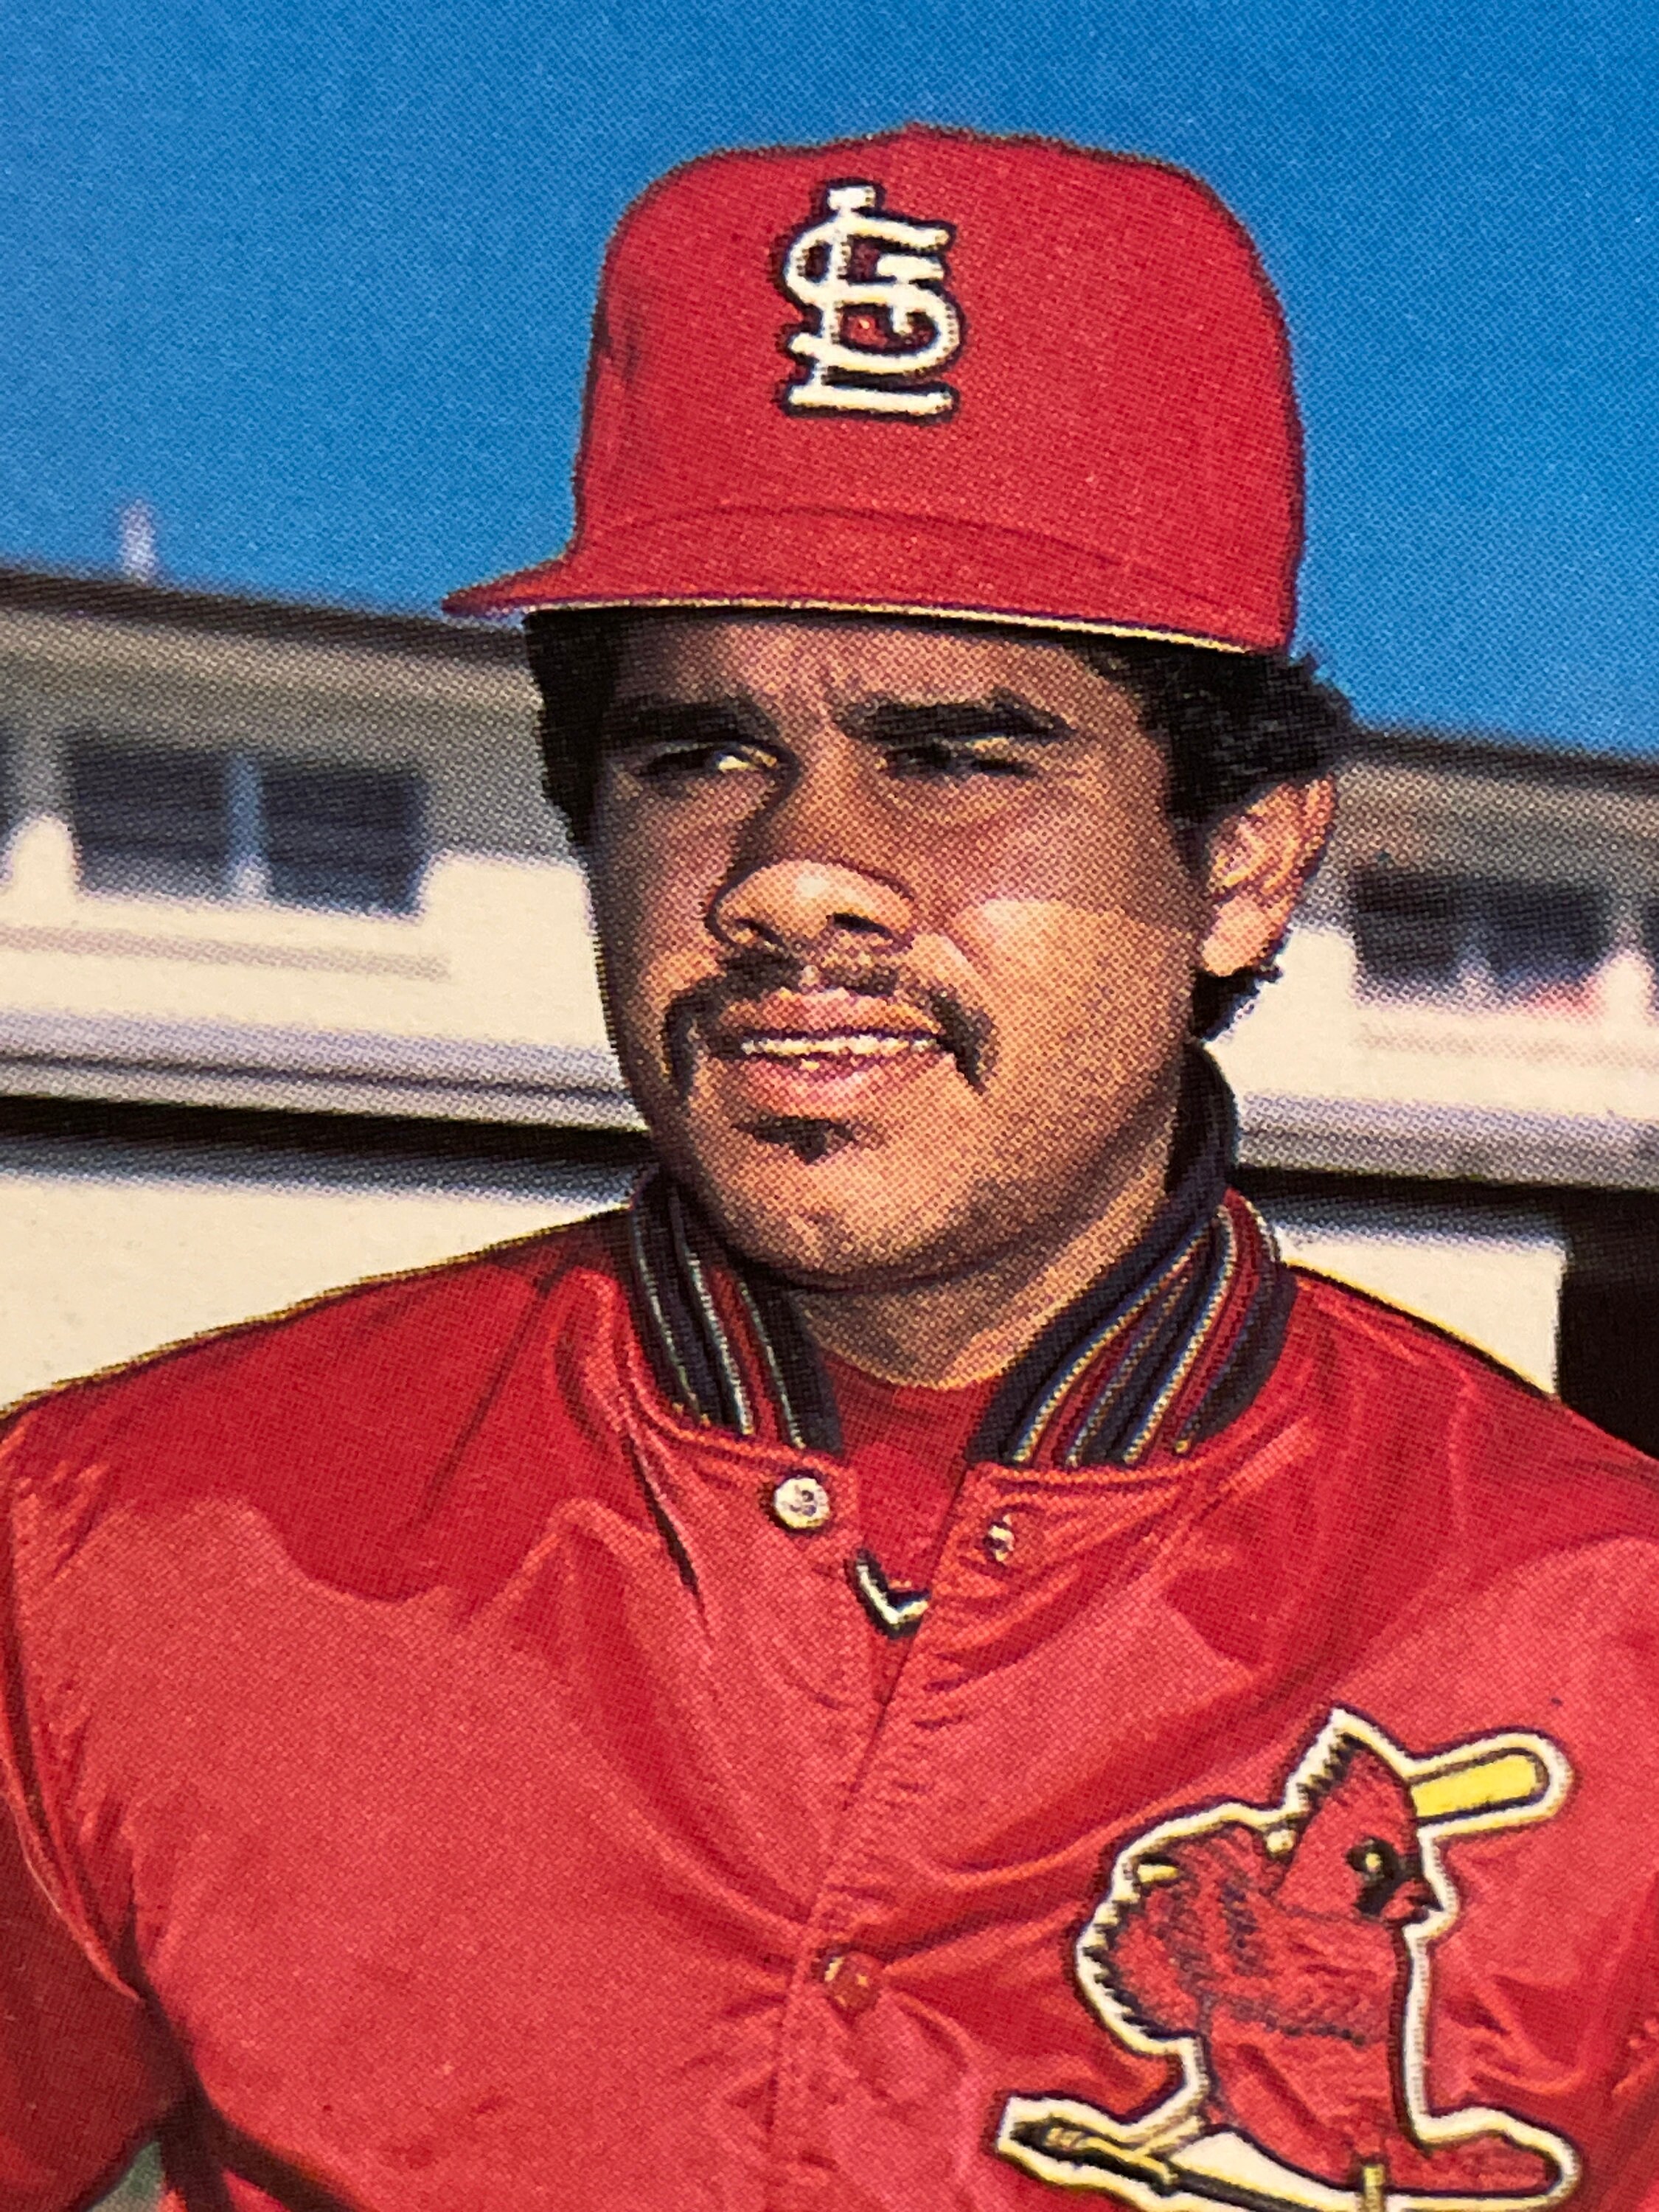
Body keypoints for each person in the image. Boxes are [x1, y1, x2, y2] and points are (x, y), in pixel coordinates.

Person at [1, 125, 1655, 2212]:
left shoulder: (1608, 1643)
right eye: (699, 753)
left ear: (1242, 857)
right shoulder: (127, 1551)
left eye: (954, 756)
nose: (794, 874)